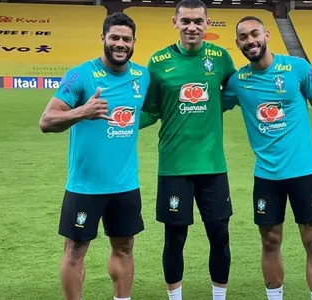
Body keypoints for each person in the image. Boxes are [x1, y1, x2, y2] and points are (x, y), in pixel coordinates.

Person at [222, 16, 312, 300]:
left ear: (267, 35)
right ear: (237, 43)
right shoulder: (238, 82)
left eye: (255, 34)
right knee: (270, 242)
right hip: (267, 176)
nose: (250, 41)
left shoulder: (297, 68)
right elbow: (208, 106)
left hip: (303, 174)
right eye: (243, 37)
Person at [38, 12, 149, 300]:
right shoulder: (80, 75)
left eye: (126, 39)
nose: (120, 44)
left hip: (126, 185)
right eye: (114, 38)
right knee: (75, 251)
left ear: (134, 42)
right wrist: (82, 112)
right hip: (85, 186)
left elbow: (146, 112)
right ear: (103, 38)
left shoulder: (142, 76)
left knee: (125, 248)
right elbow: (47, 121)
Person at [138, 0, 236, 299]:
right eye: (186, 21)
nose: (192, 27)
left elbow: (235, 91)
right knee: (175, 237)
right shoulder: (157, 62)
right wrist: (116, 124)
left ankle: (219, 297)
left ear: (207, 23)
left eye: (198, 21)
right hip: (174, 166)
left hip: (212, 165)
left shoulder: (221, 58)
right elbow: (150, 109)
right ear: (175, 23)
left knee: (219, 236)